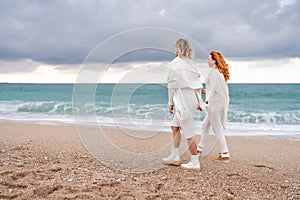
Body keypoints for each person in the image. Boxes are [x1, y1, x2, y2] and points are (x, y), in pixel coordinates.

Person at [162, 38, 205, 170]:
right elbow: (197, 85)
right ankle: (175, 156)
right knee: (175, 126)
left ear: (178, 49)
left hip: (182, 99)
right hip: (190, 98)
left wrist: (170, 103)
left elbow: (172, 85)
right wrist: (199, 101)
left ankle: (194, 161)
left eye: (176, 48)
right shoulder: (191, 64)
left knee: (188, 129)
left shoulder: (174, 63)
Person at [197, 50, 230, 162]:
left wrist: (205, 101)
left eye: (209, 59)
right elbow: (218, 89)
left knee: (217, 130)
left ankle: (225, 154)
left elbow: (214, 89)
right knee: (205, 126)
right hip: (218, 103)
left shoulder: (215, 73)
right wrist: (207, 92)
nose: (207, 61)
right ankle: (199, 149)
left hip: (214, 105)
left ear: (215, 61)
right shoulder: (219, 72)